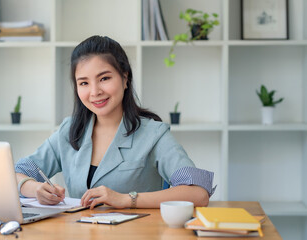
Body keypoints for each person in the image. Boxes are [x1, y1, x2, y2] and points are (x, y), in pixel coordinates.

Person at [15, 35, 215, 209]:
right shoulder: (69, 130)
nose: (94, 92)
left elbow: (198, 193)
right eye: (84, 83)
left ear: (125, 78)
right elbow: (15, 173)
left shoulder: (154, 134)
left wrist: (126, 199)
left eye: (104, 78)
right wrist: (35, 189)